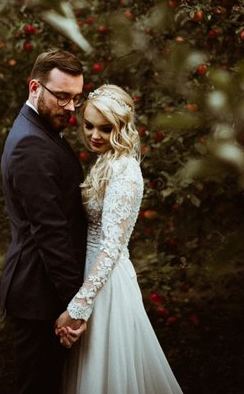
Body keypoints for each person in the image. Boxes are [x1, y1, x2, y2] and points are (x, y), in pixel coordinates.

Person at [56, 84, 183, 393]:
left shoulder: (125, 170)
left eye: (105, 128)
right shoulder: (106, 161)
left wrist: (79, 306)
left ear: (121, 127)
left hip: (107, 283)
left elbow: (112, 247)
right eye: (89, 125)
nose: (94, 135)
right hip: (91, 274)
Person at [0, 49, 89, 394]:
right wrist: (76, 304)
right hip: (39, 294)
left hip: (43, 290)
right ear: (35, 87)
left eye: (76, 98)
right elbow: (50, 231)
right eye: (62, 96)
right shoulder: (31, 144)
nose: (71, 107)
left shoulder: (38, 129)